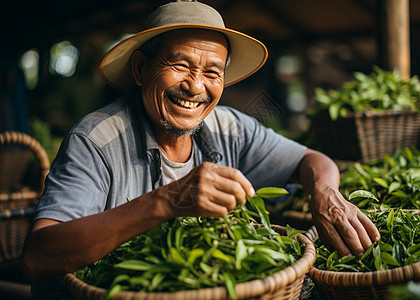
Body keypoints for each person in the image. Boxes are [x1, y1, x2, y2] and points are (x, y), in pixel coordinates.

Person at [21, 1, 380, 299]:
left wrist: (326, 193)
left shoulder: (229, 126)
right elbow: (39, 257)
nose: (195, 87)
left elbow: (311, 160)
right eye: (180, 65)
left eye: (212, 71)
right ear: (141, 68)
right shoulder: (95, 140)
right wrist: (168, 201)